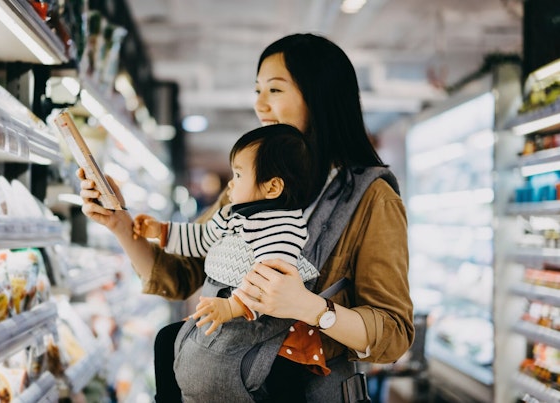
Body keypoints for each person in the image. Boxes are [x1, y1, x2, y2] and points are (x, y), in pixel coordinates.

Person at [78, 32, 414, 402]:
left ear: (319, 96)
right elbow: (180, 275)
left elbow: (394, 334)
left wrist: (310, 308)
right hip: (221, 376)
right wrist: (122, 226)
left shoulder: (372, 199)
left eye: (275, 90)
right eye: (257, 91)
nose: (261, 105)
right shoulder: (249, 185)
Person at [132, 124, 329, 401]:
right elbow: (201, 239)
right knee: (167, 340)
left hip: (260, 323)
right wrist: (162, 232)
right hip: (225, 312)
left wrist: (233, 305)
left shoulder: (282, 227)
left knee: (278, 375)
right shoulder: (230, 215)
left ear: (272, 187)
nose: (230, 183)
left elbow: (271, 280)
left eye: (238, 175)